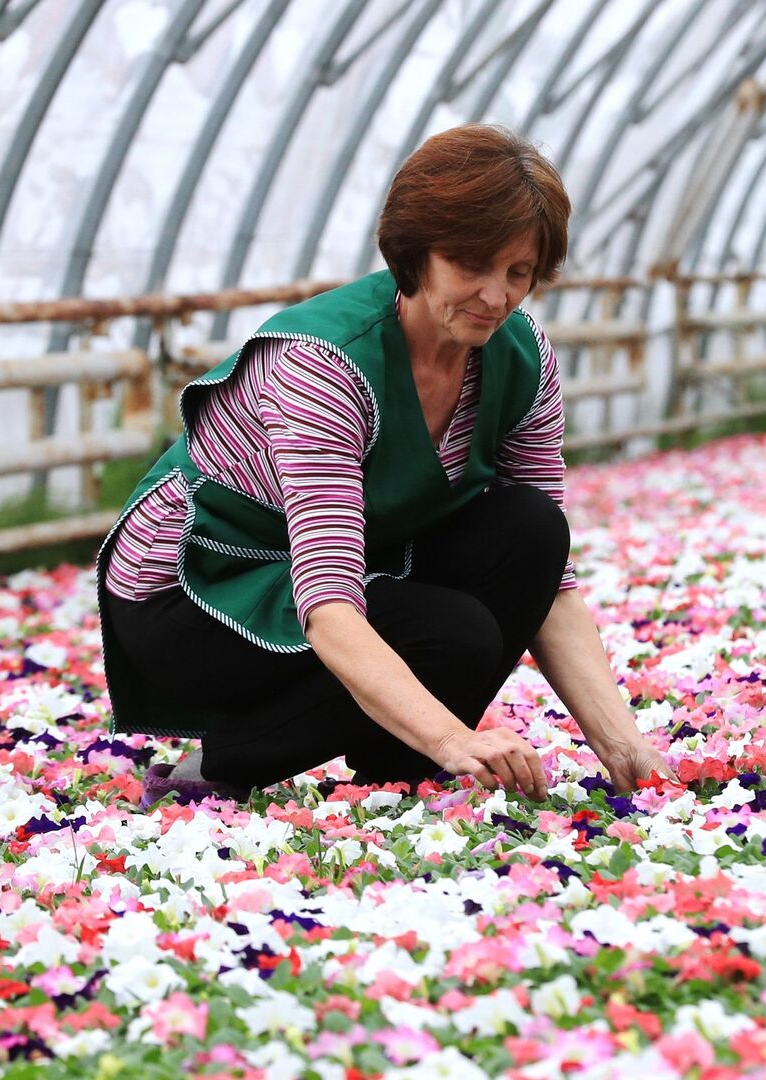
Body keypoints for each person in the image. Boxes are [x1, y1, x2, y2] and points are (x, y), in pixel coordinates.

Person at [94, 124, 675, 808]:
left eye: (518, 272)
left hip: (328, 571)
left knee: (532, 530)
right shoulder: (324, 366)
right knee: (451, 636)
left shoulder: (523, 357)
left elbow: (550, 582)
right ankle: (224, 763)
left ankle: (393, 764)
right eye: (472, 264)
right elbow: (330, 602)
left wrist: (619, 740)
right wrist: (457, 739)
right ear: (415, 254)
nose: (496, 296)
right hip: (195, 587)